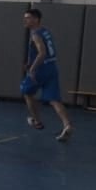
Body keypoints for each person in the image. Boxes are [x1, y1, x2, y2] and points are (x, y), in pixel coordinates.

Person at [21, 8, 73, 142]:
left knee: (26, 92)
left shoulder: (35, 34)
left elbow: (42, 53)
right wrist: (30, 62)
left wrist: (32, 69)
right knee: (54, 99)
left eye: (28, 18)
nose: (25, 20)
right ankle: (67, 124)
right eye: (25, 18)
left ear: (36, 19)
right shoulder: (45, 31)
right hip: (52, 67)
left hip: (41, 69)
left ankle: (37, 121)